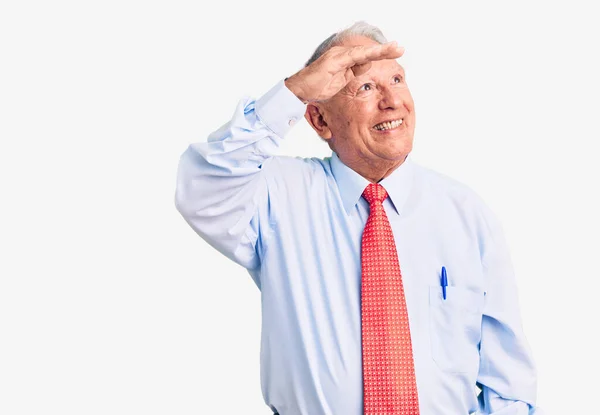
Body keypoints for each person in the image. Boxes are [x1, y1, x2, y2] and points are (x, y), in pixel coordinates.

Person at [174, 21, 541, 415]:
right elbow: (204, 187)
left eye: (397, 79)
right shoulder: (278, 195)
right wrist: (295, 91)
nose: (392, 101)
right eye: (365, 87)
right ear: (319, 120)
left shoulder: (467, 214)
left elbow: (509, 384)